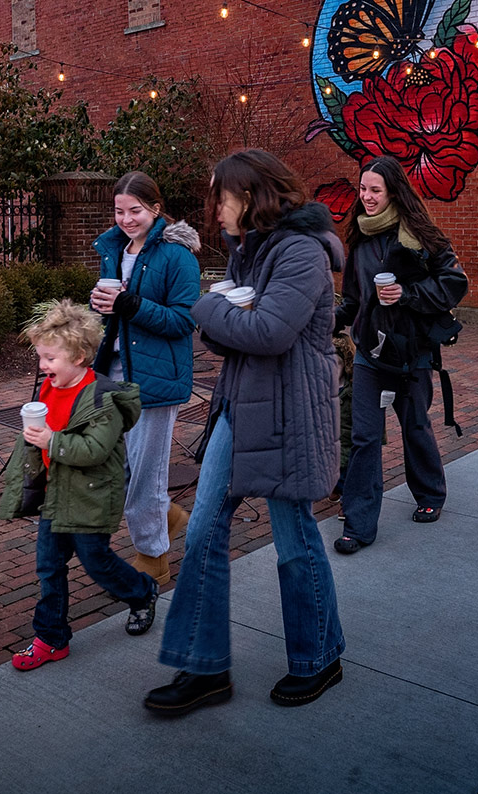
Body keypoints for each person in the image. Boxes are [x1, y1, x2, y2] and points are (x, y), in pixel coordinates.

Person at [144, 149, 345, 716]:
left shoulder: (301, 254)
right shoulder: (247, 254)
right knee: (204, 528)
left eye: (221, 198)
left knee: (293, 538)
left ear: (251, 197)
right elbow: (233, 336)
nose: (214, 211)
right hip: (238, 407)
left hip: (289, 414)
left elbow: (270, 331)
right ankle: (204, 668)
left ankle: (319, 655)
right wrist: (227, 317)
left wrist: (208, 308)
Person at [0, 300, 158, 670]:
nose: (42, 366)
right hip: (56, 494)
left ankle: (142, 592)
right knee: (49, 566)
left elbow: (95, 450)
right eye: (41, 357)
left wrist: (50, 441)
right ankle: (51, 637)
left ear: (81, 356)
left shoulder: (104, 399)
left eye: (50, 358)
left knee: (97, 562)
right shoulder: (50, 390)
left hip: (91, 497)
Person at [333, 154, 467, 554]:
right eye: (363, 189)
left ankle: (431, 493)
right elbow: (354, 300)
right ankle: (358, 523)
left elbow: (454, 283)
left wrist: (406, 294)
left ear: (393, 192)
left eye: (375, 190)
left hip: (412, 352)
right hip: (370, 352)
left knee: (415, 426)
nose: (367, 197)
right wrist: (324, 322)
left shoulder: (421, 234)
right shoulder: (358, 238)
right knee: (364, 438)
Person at [89, 170, 201, 583]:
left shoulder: (177, 256)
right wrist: (102, 305)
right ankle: (166, 516)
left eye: (135, 210)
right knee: (117, 466)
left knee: (145, 472)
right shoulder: (114, 248)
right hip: (114, 372)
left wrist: (128, 303)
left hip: (155, 379)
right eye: (119, 210)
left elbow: (184, 321)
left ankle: (153, 556)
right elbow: (116, 307)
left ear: (156, 208)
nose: (126, 219)